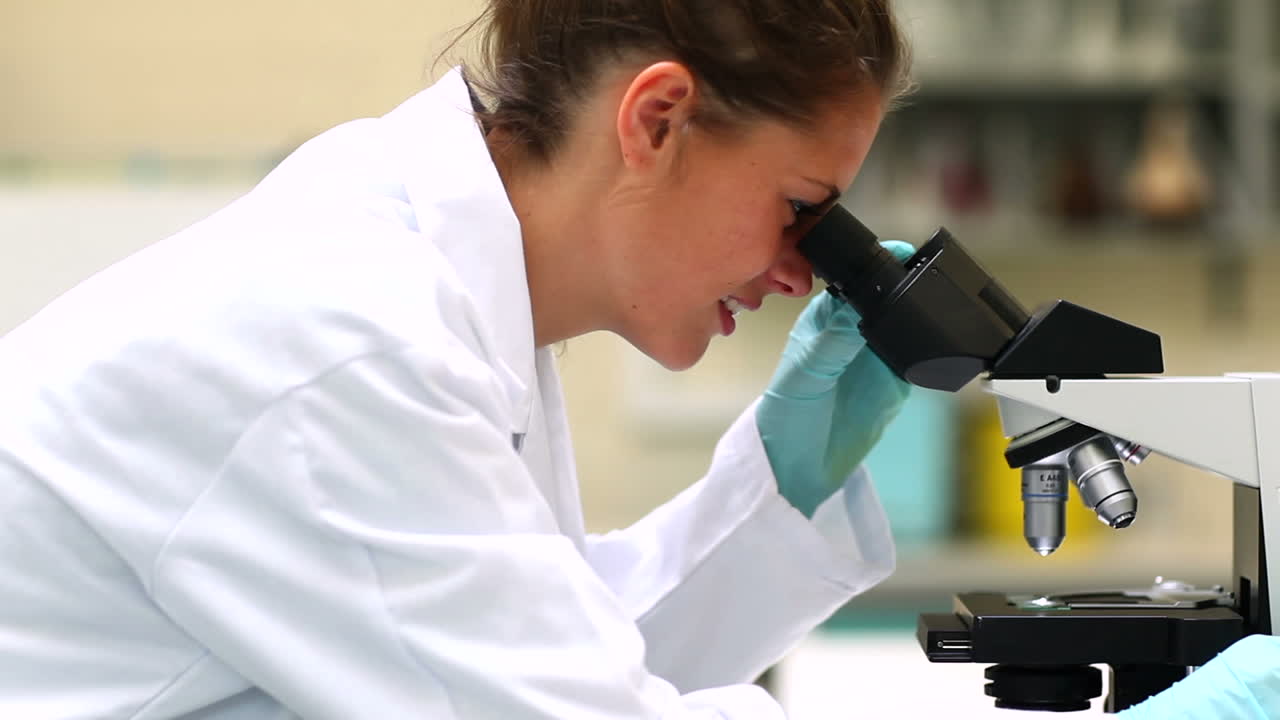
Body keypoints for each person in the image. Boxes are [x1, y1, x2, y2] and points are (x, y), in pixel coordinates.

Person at [0, 0, 1274, 717]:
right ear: (655, 119)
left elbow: (549, 658)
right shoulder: (345, 339)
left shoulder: (434, 287)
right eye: (799, 208)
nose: (799, 272)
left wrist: (772, 488)